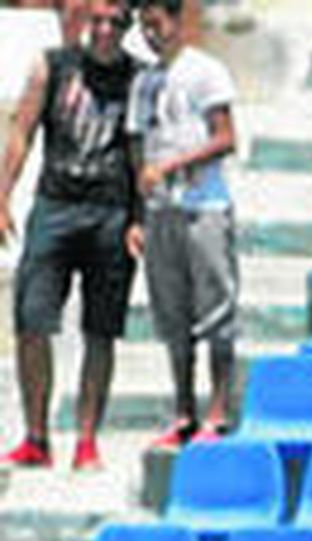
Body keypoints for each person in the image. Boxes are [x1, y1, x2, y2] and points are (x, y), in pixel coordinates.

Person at [0, 0, 138, 471]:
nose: (103, 31)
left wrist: (140, 218)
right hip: (56, 204)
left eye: (113, 22)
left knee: (101, 330)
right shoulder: (53, 65)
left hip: (111, 212)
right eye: (95, 20)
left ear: (126, 25)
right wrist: (2, 195)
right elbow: (21, 131)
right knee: (31, 320)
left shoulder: (138, 78)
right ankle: (37, 435)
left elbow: (142, 155)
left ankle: (86, 439)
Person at [126, 0, 238, 447]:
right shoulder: (145, 83)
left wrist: (173, 165)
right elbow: (138, 152)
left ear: (176, 20)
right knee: (172, 313)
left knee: (216, 307)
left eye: (158, 24)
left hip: (203, 205)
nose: (153, 34)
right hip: (161, 211)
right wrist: (138, 213)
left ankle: (219, 408)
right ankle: (183, 410)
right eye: (145, 26)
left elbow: (225, 137)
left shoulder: (205, 71)